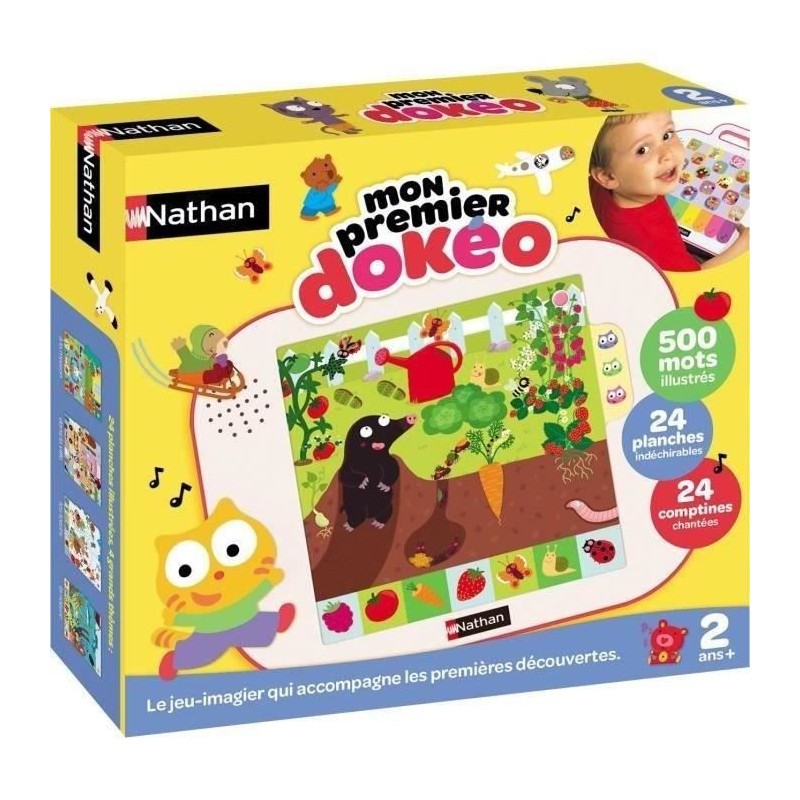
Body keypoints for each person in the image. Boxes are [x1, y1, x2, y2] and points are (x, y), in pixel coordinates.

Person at [589, 111, 749, 271]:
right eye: (642, 150)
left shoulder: (597, 185)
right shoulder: (653, 239)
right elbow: (691, 278)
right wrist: (743, 244)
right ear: (607, 177)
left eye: (667, 135)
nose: (667, 154)